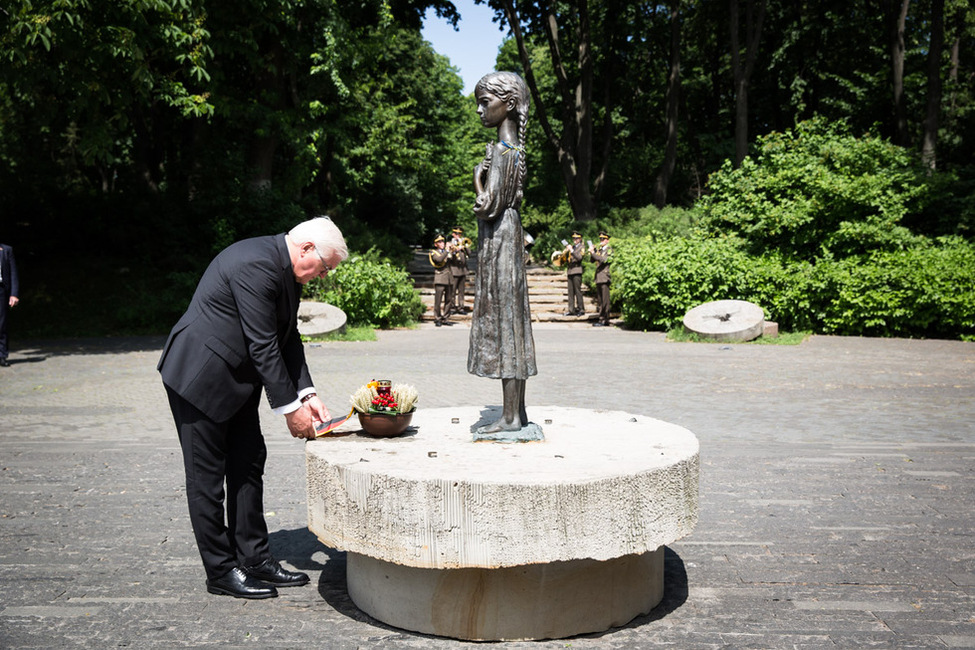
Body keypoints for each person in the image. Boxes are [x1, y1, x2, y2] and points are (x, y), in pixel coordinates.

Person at [158, 216, 348, 599]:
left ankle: (255, 558)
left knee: (248, 461)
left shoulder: (286, 269)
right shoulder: (255, 263)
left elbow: (287, 336)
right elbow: (263, 343)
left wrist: (307, 393)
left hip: (236, 379)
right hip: (200, 378)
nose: (324, 276)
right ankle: (221, 571)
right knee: (207, 479)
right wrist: (289, 408)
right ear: (307, 248)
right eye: (325, 267)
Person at [469, 71, 537, 434]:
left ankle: (510, 417)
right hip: (508, 237)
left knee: (505, 322)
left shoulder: (501, 151)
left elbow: (487, 205)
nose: (480, 110)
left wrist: (478, 177)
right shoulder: (514, 149)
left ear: (508, 105)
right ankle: (517, 413)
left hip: (500, 241)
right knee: (512, 322)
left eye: (485, 102)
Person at [0, 243, 20, 367]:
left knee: (1, 324)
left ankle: (2, 355)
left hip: (2, 290)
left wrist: (14, 294)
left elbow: (13, 273)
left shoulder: (7, 250)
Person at [589, 232, 612, 327]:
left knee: (605, 300)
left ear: (607, 240)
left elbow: (603, 260)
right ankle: (601, 318)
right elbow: (592, 260)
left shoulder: (609, 250)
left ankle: (605, 319)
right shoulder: (600, 250)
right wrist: (593, 252)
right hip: (599, 277)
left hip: (605, 277)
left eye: (603, 239)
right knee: (600, 300)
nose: (601, 241)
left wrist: (593, 253)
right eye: (600, 239)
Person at [429, 235, 452, 327]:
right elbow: (438, 260)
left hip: (449, 278)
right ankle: (437, 318)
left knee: (449, 299)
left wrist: (454, 251)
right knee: (438, 300)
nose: (442, 243)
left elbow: (453, 262)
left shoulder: (447, 252)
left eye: (443, 241)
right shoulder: (433, 252)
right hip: (440, 278)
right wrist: (446, 251)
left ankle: (446, 317)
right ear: (435, 244)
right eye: (439, 242)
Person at [448, 227, 470, 315]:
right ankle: (452, 307)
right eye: (456, 234)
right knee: (453, 290)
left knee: (461, 290)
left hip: (463, 270)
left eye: (459, 234)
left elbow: (470, 253)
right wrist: (455, 250)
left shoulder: (463, 242)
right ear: (453, 234)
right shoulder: (450, 244)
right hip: (454, 270)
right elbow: (450, 258)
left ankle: (461, 307)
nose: (458, 235)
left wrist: (465, 246)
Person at [562, 232, 585, 316]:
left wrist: (571, 250)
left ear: (580, 239)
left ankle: (581, 309)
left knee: (578, 291)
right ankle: (571, 310)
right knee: (570, 291)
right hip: (570, 271)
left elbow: (579, 258)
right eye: (574, 238)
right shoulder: (573, 247)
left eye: (576, 238)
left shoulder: (582, 247)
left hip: (577, 271)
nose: (575, 240)